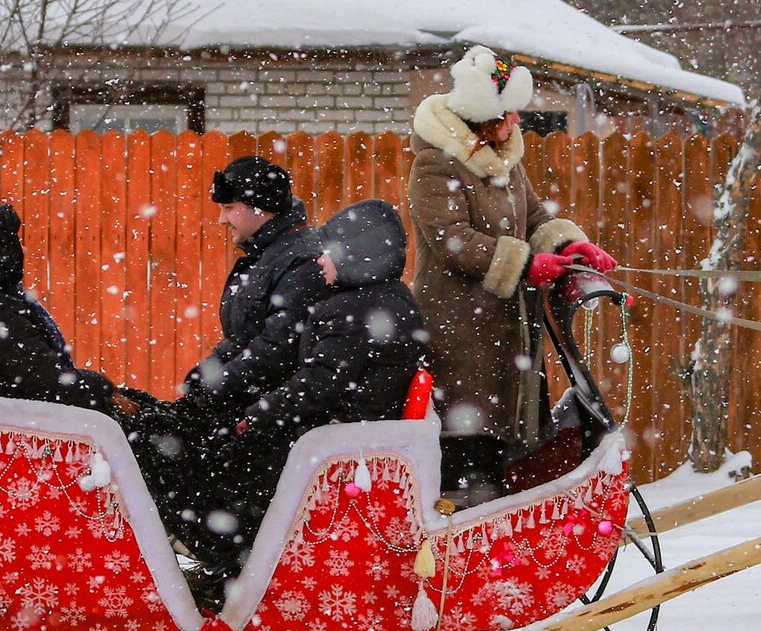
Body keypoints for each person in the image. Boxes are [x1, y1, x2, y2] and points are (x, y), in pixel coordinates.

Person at [171, 200, 429, 586]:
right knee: (223, 452)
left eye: (328, 253)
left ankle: (238, 565)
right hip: (349, 431)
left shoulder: (353, 310)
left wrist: (256, 415)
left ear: (357, 254)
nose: (320, 262)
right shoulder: (382, 298)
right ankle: (234, 559)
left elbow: (317, 385)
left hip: (336, 439)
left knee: (217, 461)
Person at [407, 45, 616, 497]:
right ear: (484, 114)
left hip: (506, 332)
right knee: (467, 450)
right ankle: (458, 548)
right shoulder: (435, 163)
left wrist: (568, 244)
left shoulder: (505, 161)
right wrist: (526, 263)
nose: (517, 121)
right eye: (509, 113)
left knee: (503, 452)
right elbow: (451, 239)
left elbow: (536, 219)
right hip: (459, 333)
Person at [0, 203, 138, 418]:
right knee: (164, 425)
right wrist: (103, 388)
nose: (22, 249)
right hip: (50, 423)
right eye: (11, 243)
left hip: (33, 414)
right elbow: (50, 385)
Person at [178, 156, 325, 417]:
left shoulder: (301, 260)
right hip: (249, 403)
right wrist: (205, 375)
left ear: (261, 208)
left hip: (271, 415)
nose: (222, 220)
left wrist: (216, 389)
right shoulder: (269, 254)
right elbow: (241, 339)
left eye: (228, 207)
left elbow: (277, 349)